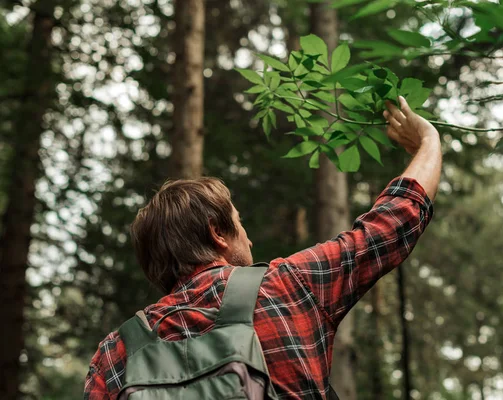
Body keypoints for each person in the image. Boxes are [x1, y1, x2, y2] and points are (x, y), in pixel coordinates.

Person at [84, 96, 442, 399]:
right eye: (240, 225)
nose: (250, 239)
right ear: (218, 234)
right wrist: (428, 141)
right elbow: (389, 225)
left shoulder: (114, 354)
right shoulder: (285, 286)